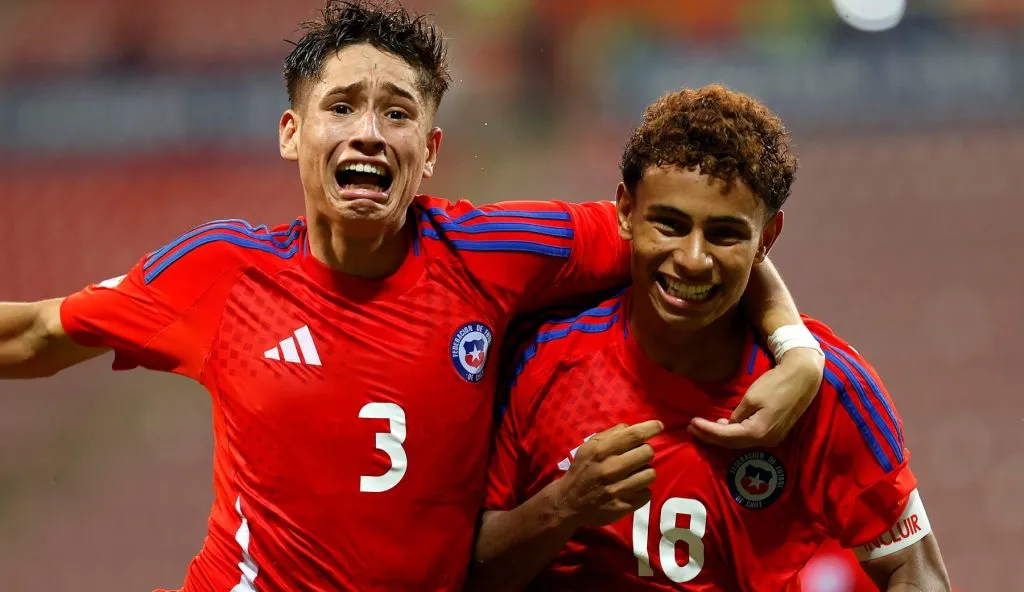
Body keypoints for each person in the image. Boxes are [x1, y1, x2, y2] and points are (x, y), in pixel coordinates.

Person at [0, 4, 824, 591]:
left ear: (428, 151)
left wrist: (796, 349)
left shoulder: (494, 253)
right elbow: (35, 333)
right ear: (293, 133)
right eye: (342, 107)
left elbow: (684, 241)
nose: (368, 132)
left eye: (397, 113)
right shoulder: (220, 271)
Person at [472, 85, 951, 591]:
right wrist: (563, 505)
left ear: (767, 239)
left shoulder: (830, 391)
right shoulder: (541, 358)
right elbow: (465, 575)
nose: (693, 259)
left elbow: (915, 571)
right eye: (670, 224)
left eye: (724, 234)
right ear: (625, 212)